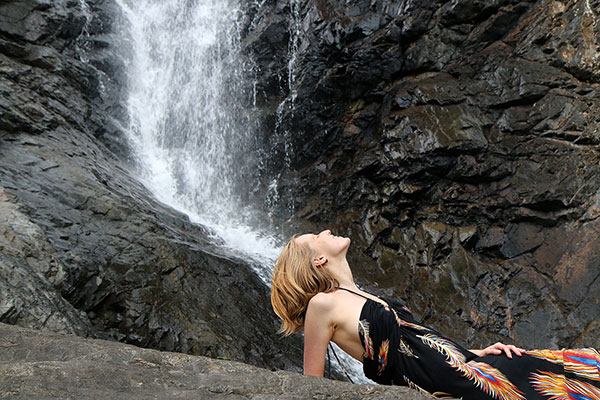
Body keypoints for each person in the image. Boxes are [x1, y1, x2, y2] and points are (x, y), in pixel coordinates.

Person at [271, 230, 600, 399]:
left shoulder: (361, 292)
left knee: (563, 371)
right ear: (318, 261)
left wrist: (474, 351)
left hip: (464, 366)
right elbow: (310, 386)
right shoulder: (322, 304)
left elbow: (419, 339)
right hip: (450, 386)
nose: (325, 232)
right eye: (316, 238)